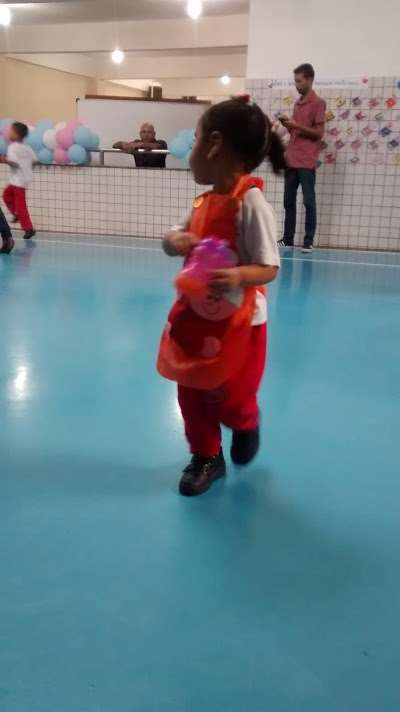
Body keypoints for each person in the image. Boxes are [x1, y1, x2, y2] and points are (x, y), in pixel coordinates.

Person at [157, 96, 285, 496]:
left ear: (214, 144)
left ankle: (245, 421)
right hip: (195, 316)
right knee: (191, 391)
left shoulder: (252, 203)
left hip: (242, 323)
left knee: (232, 394)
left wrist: (238, 275)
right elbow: (171, 237)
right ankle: (206, 456)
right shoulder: (202, 201)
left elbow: (269, 267)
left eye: (195, 140)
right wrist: (175, 240)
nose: (190, 151)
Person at [278, 63, 326, 253]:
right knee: (288, 202)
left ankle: (308, 240)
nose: (296, 85)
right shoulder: (297, 103)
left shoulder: (318, 103)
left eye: (299, 81)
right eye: (295, 81)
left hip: (306, 161)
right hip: (291, 159)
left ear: (309, 79)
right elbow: (296, 132)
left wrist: (296, 125)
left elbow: (319, 133)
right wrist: (288, 125)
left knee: (308, 201)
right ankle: (288, 239)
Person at [1, 122, 36, 240]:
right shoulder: (27, 147)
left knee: (21, 205)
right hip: (23, 179)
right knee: (6, 195)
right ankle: (16, 214)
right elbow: (34, 161)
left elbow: (14, 163)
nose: (8, 134)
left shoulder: (12, 147)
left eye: (11, 131)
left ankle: (28, 228)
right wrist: (26, 168)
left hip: (18, 181)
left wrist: (4, 160)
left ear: (16, 135)